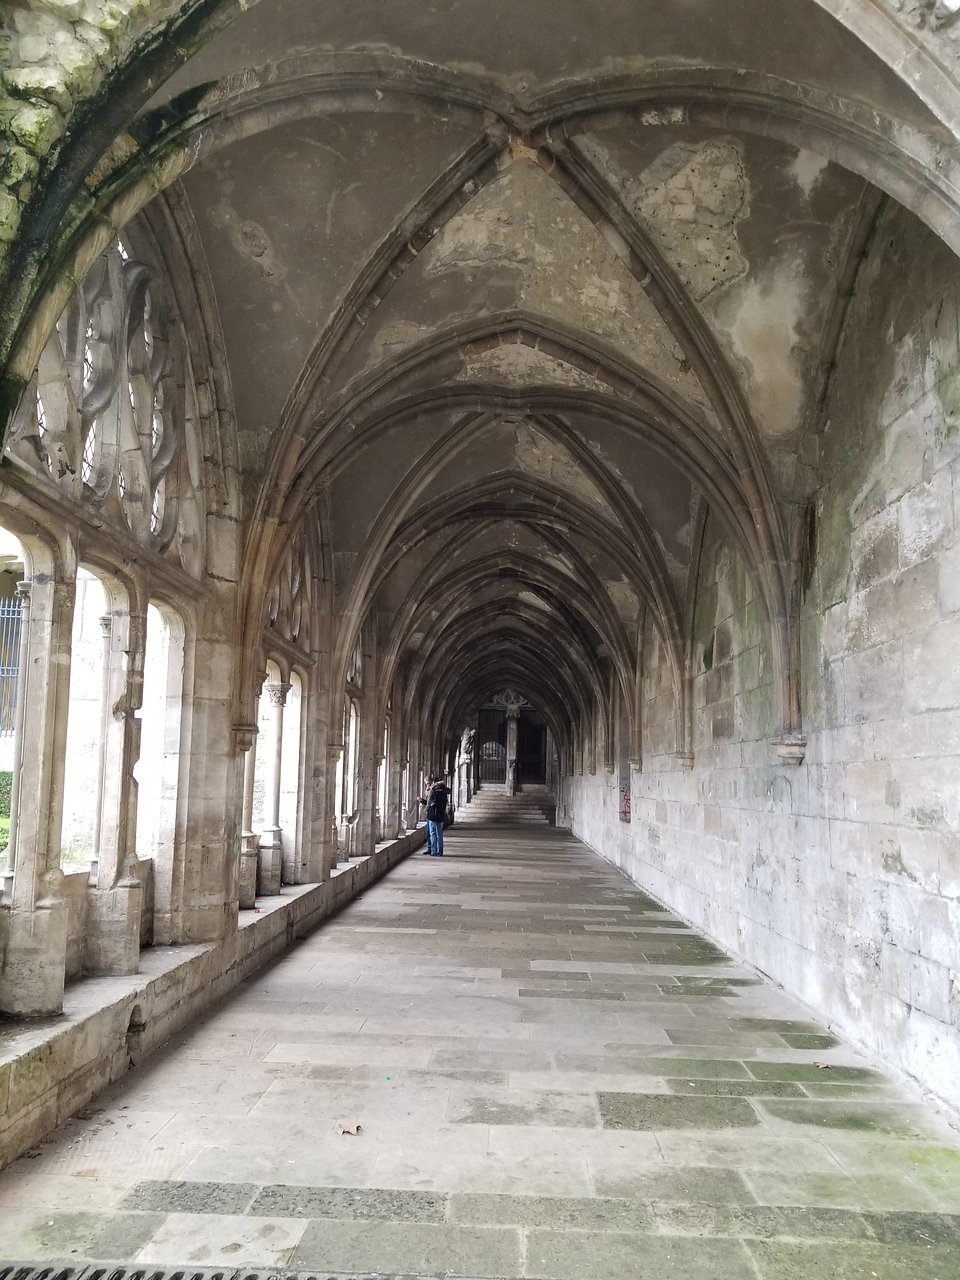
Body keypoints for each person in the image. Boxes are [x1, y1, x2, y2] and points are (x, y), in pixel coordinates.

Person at [418, 773, 449, 857]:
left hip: (432, 815)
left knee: (432, 833)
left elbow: (429, 804)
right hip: (440, 815)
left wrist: (427, 808)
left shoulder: (433, 792)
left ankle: (434, 851)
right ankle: (440, 851)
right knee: (439, 834)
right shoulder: (444, 793)